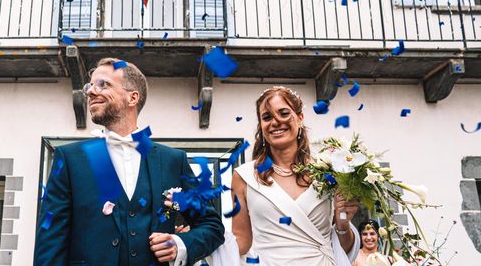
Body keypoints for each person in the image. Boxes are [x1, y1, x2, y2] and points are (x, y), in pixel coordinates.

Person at [34, 57, 225, 266]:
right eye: (90, 86)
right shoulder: (70, 160)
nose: (89, 92)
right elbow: (50, 243)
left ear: (132, 98)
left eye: (103, 84)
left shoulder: (172, 161)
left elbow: (212, 225)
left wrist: (181, 244)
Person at [231, 86, 361, 266]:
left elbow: (343, 249)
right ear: (261, 126)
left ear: (300, 118)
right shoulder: (244, 177)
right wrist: (199, 241)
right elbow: (241, 241)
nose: (275, 122)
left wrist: (343, 224)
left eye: (283, 113)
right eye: (267, 117)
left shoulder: (328, 173)